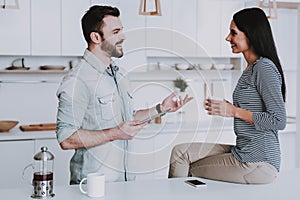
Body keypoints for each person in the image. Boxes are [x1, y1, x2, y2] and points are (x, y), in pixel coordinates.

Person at [56, 5, 193, 184]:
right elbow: (66, 138)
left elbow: (127, 120)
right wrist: (115, 133)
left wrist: (161, 108)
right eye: (116, 31)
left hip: (123, 183)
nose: (123, 36)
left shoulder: (117, 74)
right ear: (96, 37)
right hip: (92, 187)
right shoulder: (78, 79)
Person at [168, 7, 286, 184]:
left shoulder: (264, 67)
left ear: (251, 35)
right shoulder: (250, 68)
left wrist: (233, 111)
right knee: (180, 153)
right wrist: (228, 109)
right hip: (244, 150)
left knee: (187, 167)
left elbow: (278, 120)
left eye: (233, 33)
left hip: (258, 161)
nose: (227, 38)